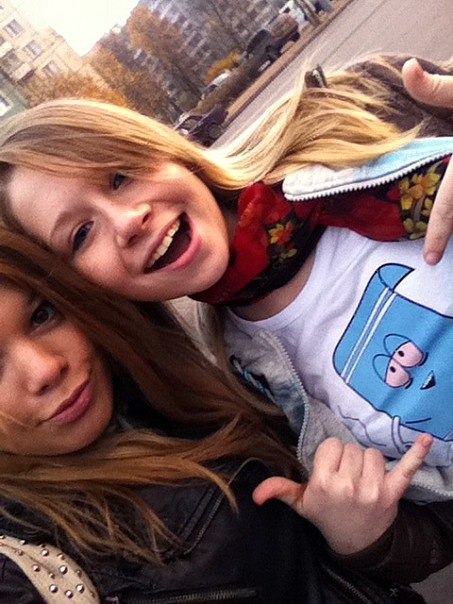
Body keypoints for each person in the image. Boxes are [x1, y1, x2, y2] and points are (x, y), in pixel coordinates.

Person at [1, 54, 453, 493]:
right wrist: (361, 532)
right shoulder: (242, 381)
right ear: (82, 289)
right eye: (81, 235)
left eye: (120, 176)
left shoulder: (355, 103)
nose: (128, 221)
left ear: (161, 148)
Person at [0, 228, 447, 603]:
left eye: (41, 314)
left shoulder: (178, 366)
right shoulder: (21, 573)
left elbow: (424, 537)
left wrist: (361, 541)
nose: (45, 368)